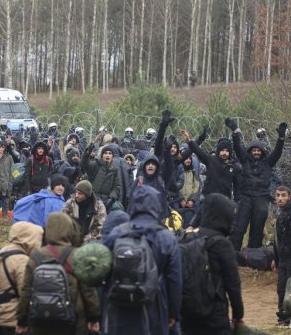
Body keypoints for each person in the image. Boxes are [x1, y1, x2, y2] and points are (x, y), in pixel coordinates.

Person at [102, 185, 182, 335]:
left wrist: (102, 310)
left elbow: (103, 274)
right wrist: (174, 313)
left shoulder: (117, 233)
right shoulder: (166, 238)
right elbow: (175, 279)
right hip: (154, 307)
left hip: (119, 308)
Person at [16, 212, 100, 335]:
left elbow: (26, 292)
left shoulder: (36, 257)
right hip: (74, 322)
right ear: (70, 229)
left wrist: (21, 321)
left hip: (41, 321)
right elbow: (89, 292)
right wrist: (94, 318)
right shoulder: (78, 256)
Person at [181, 193, 244, 334]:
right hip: (214, 313)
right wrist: (238, 315)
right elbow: (233, 284)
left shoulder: (185, 238)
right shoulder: (222, 243)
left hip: (186, 313)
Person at [227, 120, 286, 250]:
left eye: (258, 150)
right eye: (254, 150)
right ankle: (233, 254)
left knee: (257, 229)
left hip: (261, 198)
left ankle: (253, 255)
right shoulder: (245, 160)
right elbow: (237, 147)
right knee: (238, 227)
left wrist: (281, 139)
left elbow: (277, 153)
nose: (256, 152)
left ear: (262, 152)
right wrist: (235, 131)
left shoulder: (268, 163)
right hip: (246, 198)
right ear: (250, 151)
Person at [0, 222, 44, 335]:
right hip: (9, 321)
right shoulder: (21, 261)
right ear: (29, 238)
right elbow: (25, 294)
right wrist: (24, 321)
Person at [82, 144, 122, 210]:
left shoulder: (115, 170)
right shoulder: (95, 165)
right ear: (102, 155)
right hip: (92, 198)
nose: (107, 155)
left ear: (112, 156)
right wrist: (87, 152)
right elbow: (84, 164)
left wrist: (111, 198)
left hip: (106, 200)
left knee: (118, 207)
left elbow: (117, 186)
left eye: (110, 153)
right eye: (105, 153)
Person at [273, 186, 291, 326]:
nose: (280, 198)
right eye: (278, 195)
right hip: (283, 259)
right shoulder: (280, 214)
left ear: (289, 197)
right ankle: (283, 318)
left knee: (289, 291)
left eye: (283, 195)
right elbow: (277, 240)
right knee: (281, 289)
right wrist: (276, 259)